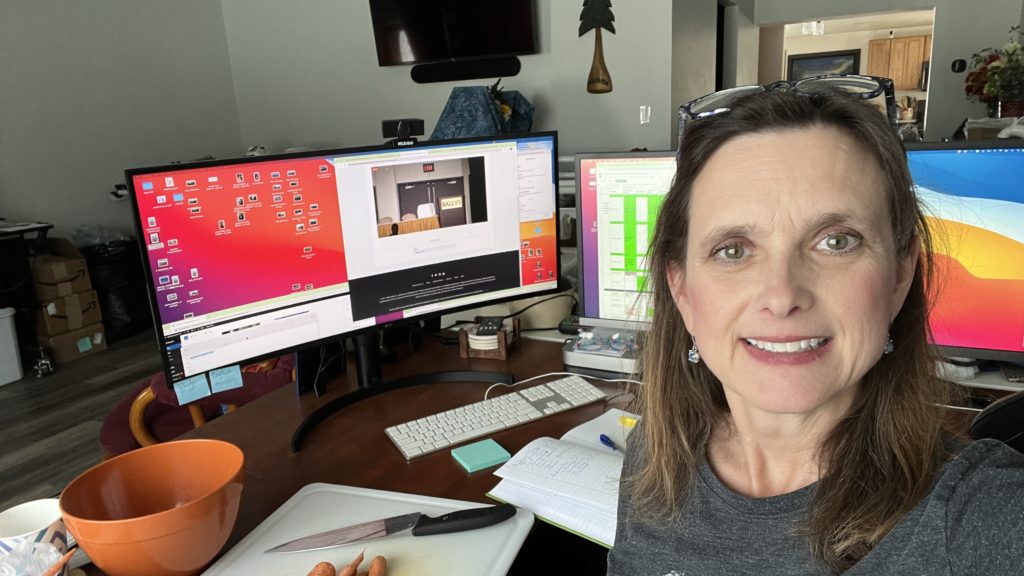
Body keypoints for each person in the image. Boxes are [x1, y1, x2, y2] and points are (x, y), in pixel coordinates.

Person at [606, 80, 1024, 575]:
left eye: (836, 242)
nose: (782, 296)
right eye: (733, 250)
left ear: (900, 275)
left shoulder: (979, 514)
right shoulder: (654, 451)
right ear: (682, 292)